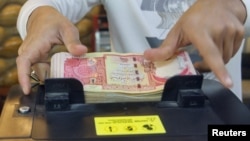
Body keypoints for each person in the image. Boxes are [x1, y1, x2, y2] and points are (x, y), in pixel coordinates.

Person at [16, 0, 249, 101]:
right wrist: (39, 15)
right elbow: (43, 3)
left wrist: (235, 4)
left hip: (221, 119)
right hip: (130, 113)